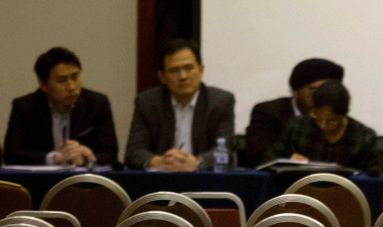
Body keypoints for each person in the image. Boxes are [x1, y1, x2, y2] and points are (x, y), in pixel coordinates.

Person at [125, 39, 235, 172]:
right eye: (174, 70)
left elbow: (225, 150)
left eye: (189, 68)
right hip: (161, 183)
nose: (183, 76)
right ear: (162, 77)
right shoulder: (147, 102)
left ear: (201, 70)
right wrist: (158, 161)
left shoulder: (220, 102)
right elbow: (134, 151)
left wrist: (197, 162)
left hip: (205, 183)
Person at [4, 46, 118, 167]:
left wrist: (87, 156)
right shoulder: (25, 107)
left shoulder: (97, 104)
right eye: (62, 80)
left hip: (83, 183)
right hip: (39, 182)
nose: (71, 87)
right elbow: (11, 154)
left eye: (75, 77)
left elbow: (110, 153)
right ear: (43, 84)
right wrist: (54, 157)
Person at [243, 58, 344, 167]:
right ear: (296, 90)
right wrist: (287, 159)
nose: (321, 96)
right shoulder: (269, 112)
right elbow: (257, 152)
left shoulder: (336, 118)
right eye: (314, 89)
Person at [272, 80, 376, 171]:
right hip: (301, 188)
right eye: (318, 118)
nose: (323, 125)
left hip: (344, 191)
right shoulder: (297, 126)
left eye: (331, 121)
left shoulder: (364, 137)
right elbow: (269, 159)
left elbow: (369, 177)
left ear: (344, 115)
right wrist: (288, 160)